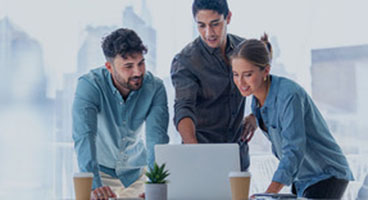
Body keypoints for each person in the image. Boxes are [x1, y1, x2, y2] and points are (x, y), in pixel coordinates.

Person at [231, 34, 354, 199]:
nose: (240, 82)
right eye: (236, 74)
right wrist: (254, 117)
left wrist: (269, 193)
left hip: (326, 174)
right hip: (302, 178)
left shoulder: (289, 95)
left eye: (247, 74)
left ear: (266, 70)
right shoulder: (256, 101)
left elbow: (293, 148)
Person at [72, 28, 169, 200]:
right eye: (128, 66)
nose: (138, 72)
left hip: (137, 174)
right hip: (100, 173)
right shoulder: (90, 85)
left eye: (141, 63)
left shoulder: (155, 88)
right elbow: (84, 137)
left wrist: (155, 183)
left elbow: (157, 138)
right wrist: (94, 186)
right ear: (109, 67)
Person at [170, 0, 256, 171]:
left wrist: (255, 116)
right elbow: (183, 108)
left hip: (238, 157)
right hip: (201, 156)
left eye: (215, 24)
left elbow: (264, 87)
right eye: (201, 25)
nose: (208, 33)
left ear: (228, 17)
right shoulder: (186, 61)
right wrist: (194, 151)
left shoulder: (245, 49)